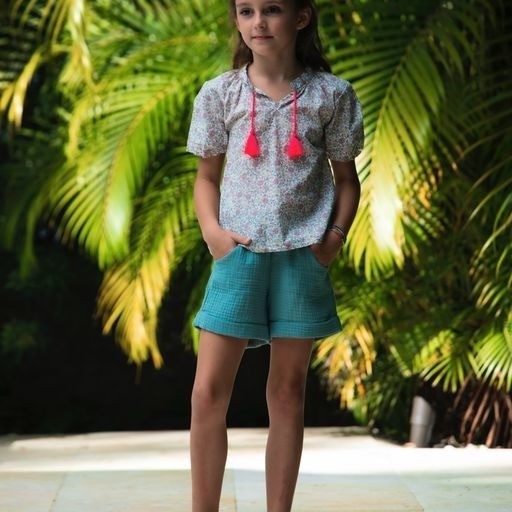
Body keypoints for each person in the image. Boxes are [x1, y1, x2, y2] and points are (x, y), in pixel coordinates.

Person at [186, 0, 363, 510]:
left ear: (301, 17)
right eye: (245, 11)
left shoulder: (332, 94)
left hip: (303, 256)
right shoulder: (219, 93)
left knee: (287, 394)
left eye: (272, 9)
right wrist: (215, 235)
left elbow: (346, 180)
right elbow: (206, 178)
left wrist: (333, 240)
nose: (257, 22)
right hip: (237, 255)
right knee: (206, 394)